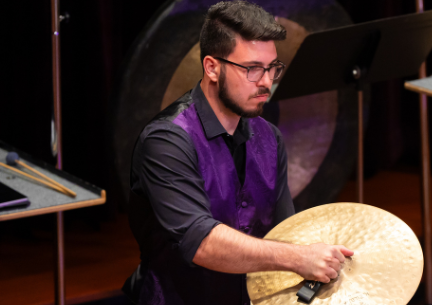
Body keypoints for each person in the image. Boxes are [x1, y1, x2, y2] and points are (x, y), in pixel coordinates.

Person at [122, 2, 353, 304]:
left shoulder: (270, 138)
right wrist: (298, 257)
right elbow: (201, 242)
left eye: (273, 68)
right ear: (212, 67)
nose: (267, 82)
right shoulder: (167, 141)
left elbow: (285, 234)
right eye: (253, 69)